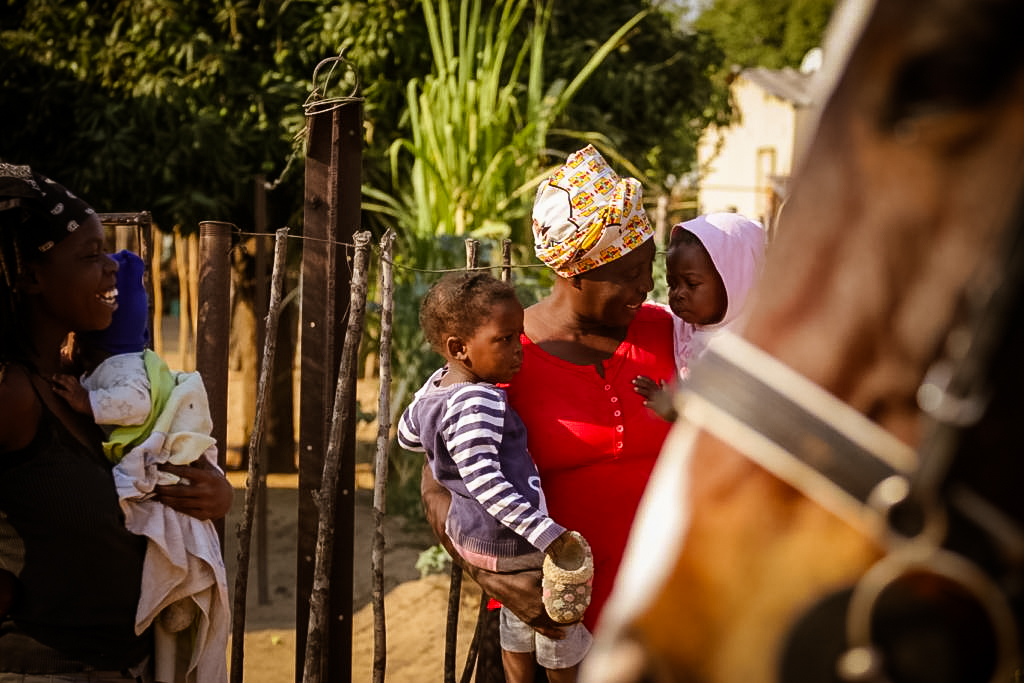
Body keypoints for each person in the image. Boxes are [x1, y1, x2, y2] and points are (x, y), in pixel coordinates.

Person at [420, 145, 675, 662]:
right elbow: (438, 486)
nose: (645, 286)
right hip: (551, 627)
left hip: (663, 621)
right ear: (576, 272)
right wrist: (490, 576)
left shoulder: (667, 334)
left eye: (649, 267)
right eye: (627, 274)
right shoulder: (500, 360)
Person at [0, 163, 233, 682]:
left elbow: (142, 475)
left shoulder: (85, 383)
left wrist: (214, 497)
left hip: (121, 666)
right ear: (29, 276)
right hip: (41, 668)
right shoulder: (11, 396)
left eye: (105, 250)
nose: (112, 268)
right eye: (89, 256)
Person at [399, 271, 594, 683]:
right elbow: (486, 481)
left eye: (518, 334)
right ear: (459, 348)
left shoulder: (435, 393)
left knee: (516, 623)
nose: (519, 348)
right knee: (558, 623)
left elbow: (407, 437)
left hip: (471, 537)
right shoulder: (480, 400)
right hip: (508, 538)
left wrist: (431, 397)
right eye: (504, 339)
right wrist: (547, 533)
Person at [50, 249, 230, 683]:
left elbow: (157, 423)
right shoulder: (34, 390)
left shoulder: (116, 375)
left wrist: (218, 490)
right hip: (63, 643)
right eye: (89, 258)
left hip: (119, 648)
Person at [632, 212, 766, 419]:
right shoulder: (686, 324)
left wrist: (674, 412)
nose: (678, 294)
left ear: (735, 279)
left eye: (691, 284)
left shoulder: (752, 348)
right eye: (672, 284)